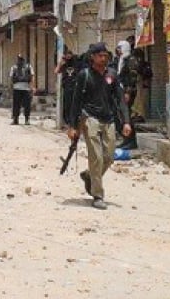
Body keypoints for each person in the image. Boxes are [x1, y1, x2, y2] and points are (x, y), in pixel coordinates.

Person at [68, 42, 132, 210]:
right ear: (93, 57)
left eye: (106, 56)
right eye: (100, 56)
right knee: (96, 156)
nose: (104, 58)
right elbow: (76, 101)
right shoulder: (84, 75)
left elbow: (120, 100)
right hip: (90, 118)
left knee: (109, 156)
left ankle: (89, 176)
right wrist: (73, 125)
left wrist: (126, 121)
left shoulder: (112, 75)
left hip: (108, 119)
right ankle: (97, 195)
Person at [55, 46, 82, 127]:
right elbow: (56, 71)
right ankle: (68, 121)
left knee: (75, 104)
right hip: (67, 86)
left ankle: (75, 120)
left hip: (75, 86)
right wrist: (60, 63)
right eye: (67, 54)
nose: (68, 56)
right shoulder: (64, 63)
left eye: (70, 54)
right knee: (67, 104)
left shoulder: (76, 62)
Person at [9, 54, 34, 125]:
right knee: (16, 105)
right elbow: (11, 78)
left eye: (21, 59)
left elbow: (32, 77)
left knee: (27, 105)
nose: (20, 61)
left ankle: (27, 119)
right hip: (17, 88)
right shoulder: (13, 67)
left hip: (26, 88)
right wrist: (11, 87)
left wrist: (32, 87)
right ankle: (15, 119)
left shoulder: (29, 67)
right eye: (19, 59)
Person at [132, 48, 153, 122]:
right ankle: (136, 115)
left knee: (140, 100)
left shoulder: (141, 64)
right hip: (139, 85)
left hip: (141, 85)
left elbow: (144, 74)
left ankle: (139, 115)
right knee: (138, 100)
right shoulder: (140, 63)